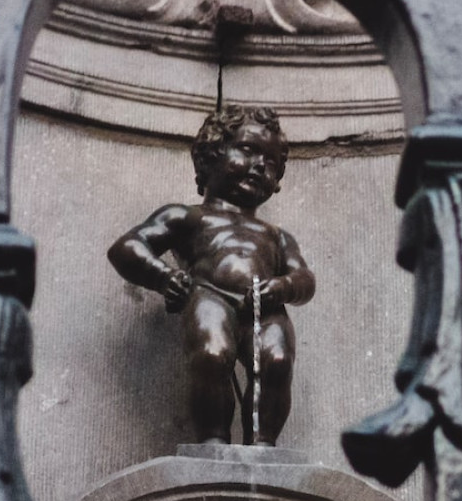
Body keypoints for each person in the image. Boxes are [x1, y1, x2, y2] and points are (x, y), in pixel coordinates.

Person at [108, 105, 315, 445]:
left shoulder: (276, 236)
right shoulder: (188, 217)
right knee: (211, 355)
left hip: (266, 305)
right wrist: (163, 277)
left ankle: (263, 445)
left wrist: (284, 286)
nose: (259, 165)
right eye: (247, 150)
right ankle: (213, 440)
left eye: (271, 162)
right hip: (209, 294)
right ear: (210, 155)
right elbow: (127, 248)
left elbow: (305, 278)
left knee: (276, 361)